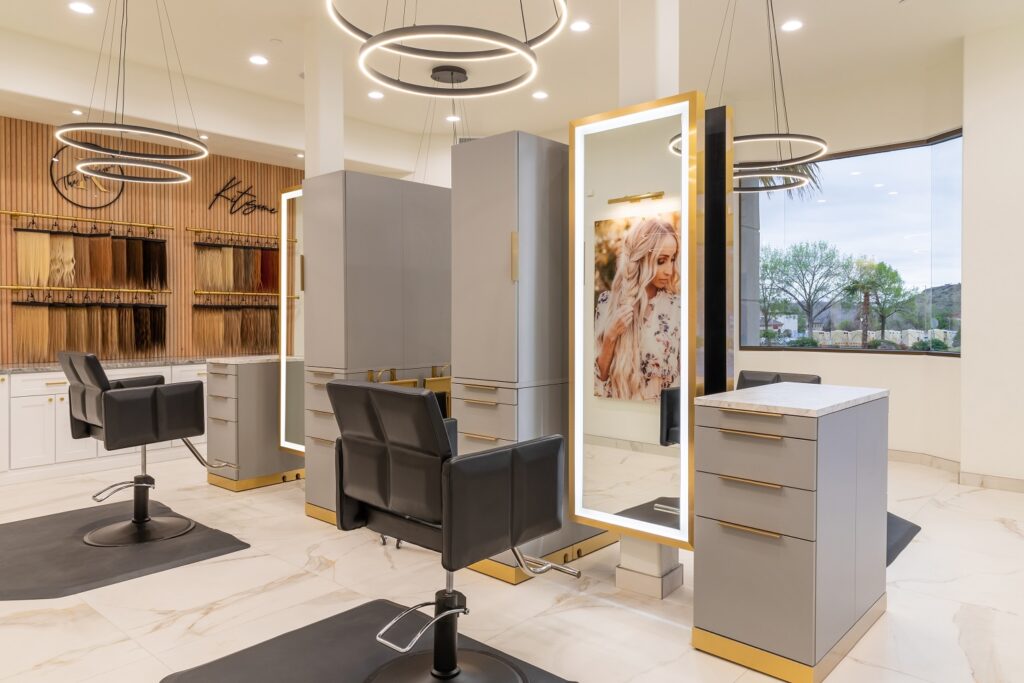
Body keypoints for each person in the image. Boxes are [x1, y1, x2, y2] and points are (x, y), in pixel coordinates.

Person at [594, 218, 680, 401]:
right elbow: (598, 382)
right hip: (617, 415)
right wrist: (610, 336)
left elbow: (680, 381)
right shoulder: (607, 303)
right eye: (661, 261)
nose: (669, 270)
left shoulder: (676, 308)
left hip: (660, 418)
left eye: (672, 260)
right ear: (641, 259)